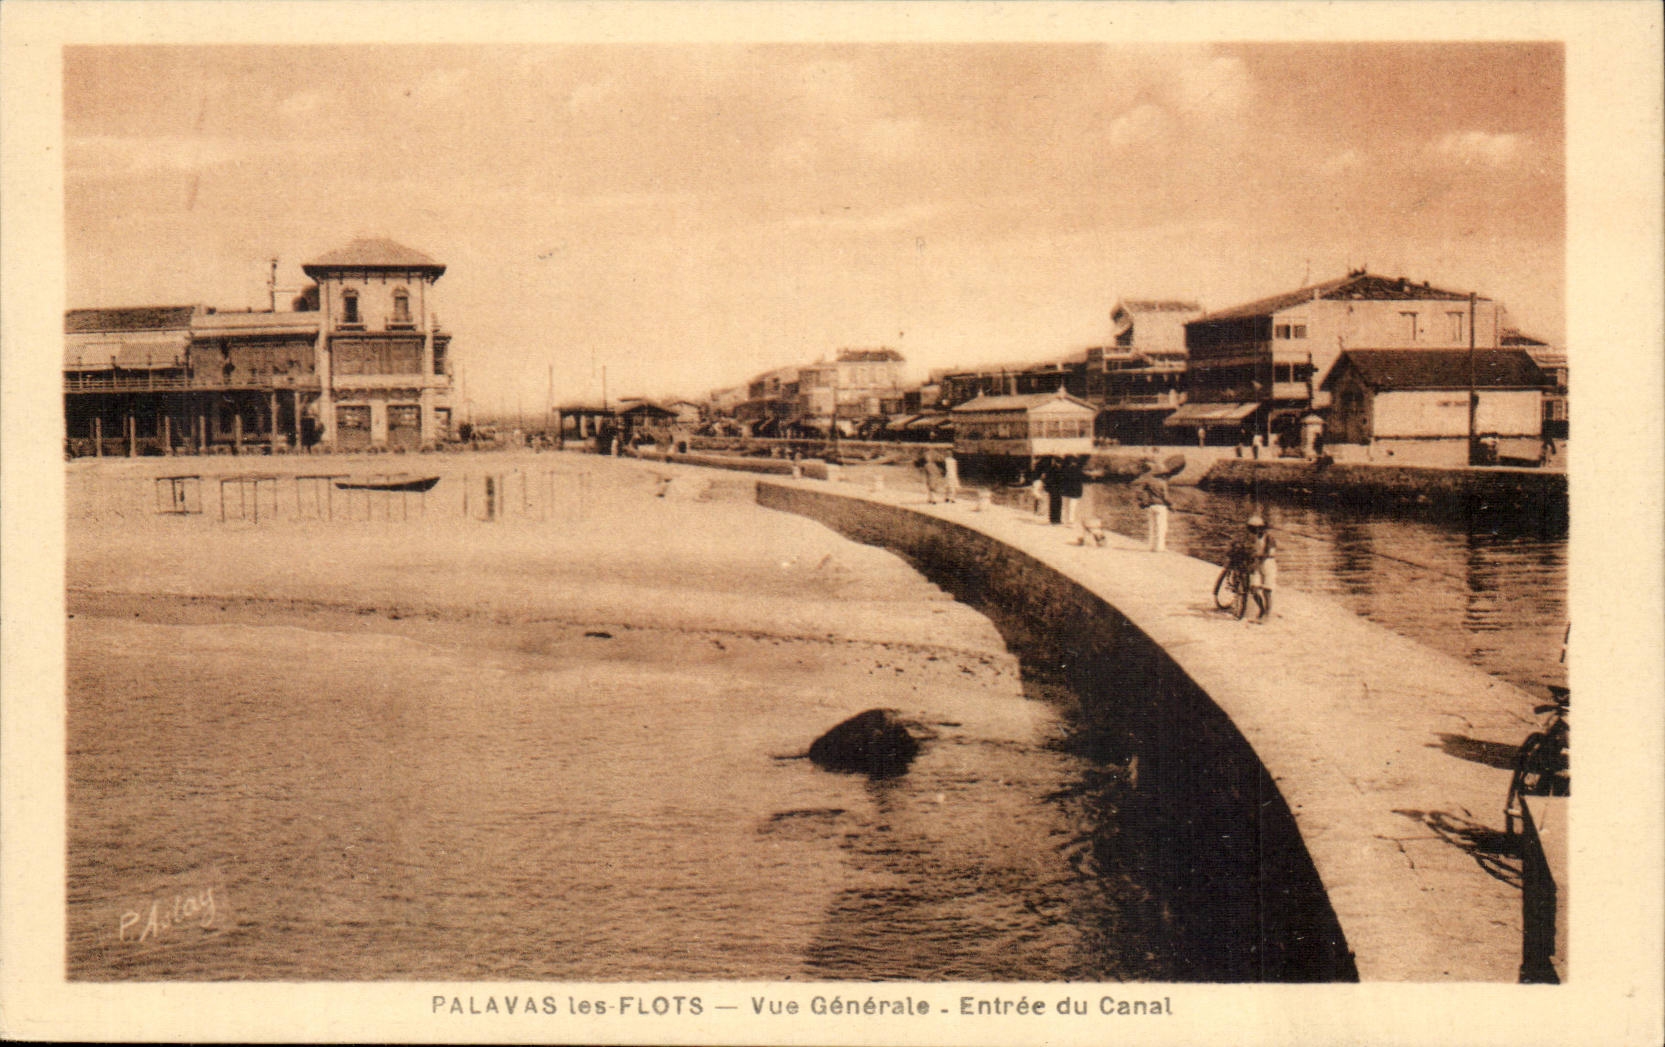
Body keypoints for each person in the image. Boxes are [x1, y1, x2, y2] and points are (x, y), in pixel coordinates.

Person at [1131, 461, 1171, 552]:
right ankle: (1160, 547)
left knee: (1152, 527)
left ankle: (1152, 547)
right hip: (1161, 507)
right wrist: (1171, 505)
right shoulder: (1162, 483)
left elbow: (1138, 491)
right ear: (1162, 473)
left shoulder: (1149, 481)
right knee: (1162, 527)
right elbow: (1165, 497)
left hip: (1151, 506)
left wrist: (1141, 502)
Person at [1245, 514, 1278, 623]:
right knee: (1253, 590)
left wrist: (1257, 555)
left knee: (1266, 591)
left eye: (1255, 529)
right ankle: (1262, 609)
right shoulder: (1257, 537)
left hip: (1268, 565)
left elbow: (1270, 553)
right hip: (1259, 565)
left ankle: (1267, 615)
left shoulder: (1269, 538)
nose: (1254, 531)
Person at [1058, 455, 1087, 526]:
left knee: (1066, 506)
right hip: (1075, 492)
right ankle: (1071, 521)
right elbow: (1084, 478)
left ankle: (1065, 520)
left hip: (1066, 491)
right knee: (1072, 506)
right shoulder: (1078, 469)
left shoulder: (1064, 469)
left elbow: (1062, 479)